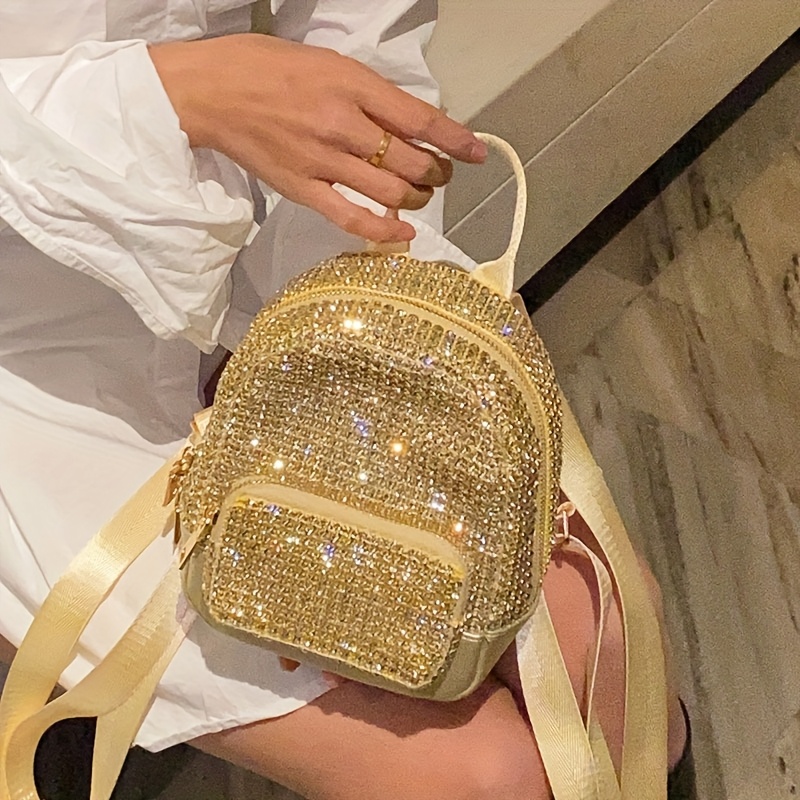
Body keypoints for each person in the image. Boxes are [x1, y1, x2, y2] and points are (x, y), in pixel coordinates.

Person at [0, 2, 691, 797]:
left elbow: (359, 37)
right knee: (483, 778)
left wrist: (356, 327)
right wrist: (170, 93)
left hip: (245, 277)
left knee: (612, 649)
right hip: (26, 373)